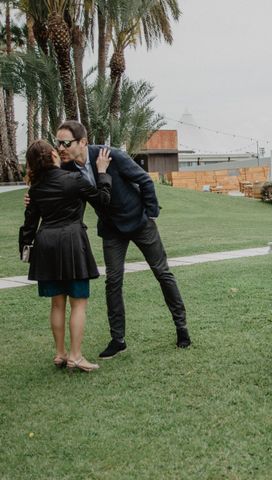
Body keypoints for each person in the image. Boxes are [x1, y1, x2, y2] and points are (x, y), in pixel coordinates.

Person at [54, 120, 191, 357]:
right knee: (113, 282)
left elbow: (145, 180)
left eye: (65, 143)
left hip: (139, 222)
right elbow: (56, 190)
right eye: (58, 143)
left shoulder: (111, 156)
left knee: (162, 272)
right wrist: (32, 199)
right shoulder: (68, 168)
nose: (60, 148)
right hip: (111, 229)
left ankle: (182, 328)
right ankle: (118, 340)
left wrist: (151, 214)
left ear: (83, 142)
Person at [19, 140, 112, 372]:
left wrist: (25, 249)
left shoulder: (35, 189)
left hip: (46, 245)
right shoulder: (74, 180)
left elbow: (29, 225)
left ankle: (60, 354)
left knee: (57, 303)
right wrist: (102, 173)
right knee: (78, 303)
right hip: (71, 242)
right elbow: (103, 200)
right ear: (53, 154)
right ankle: (76, 356)